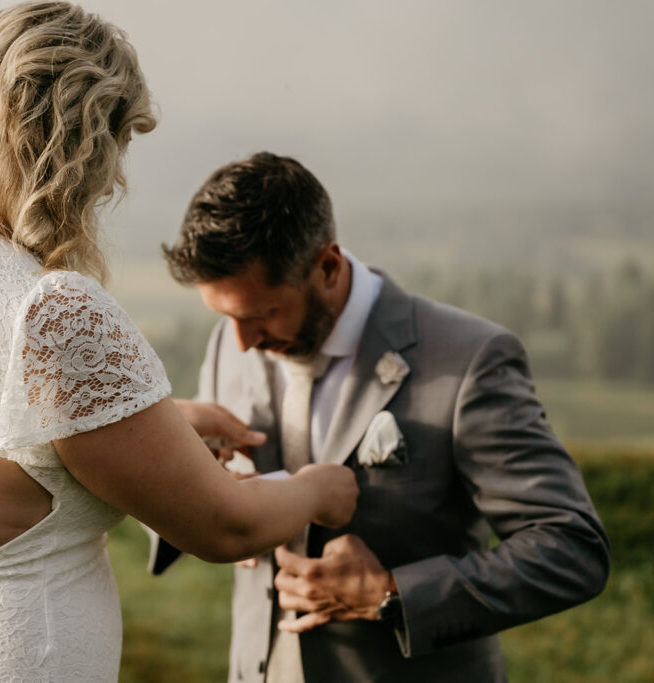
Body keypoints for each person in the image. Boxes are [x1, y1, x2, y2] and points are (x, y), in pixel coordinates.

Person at [0, 6, 358, 682]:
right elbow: (225, 526)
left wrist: (164, 423)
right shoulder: (49, 308)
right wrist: (320, 489)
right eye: (115, 148)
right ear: (81, 147)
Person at [152, 151, 611, 682]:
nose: (241, 342)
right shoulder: (232, 339)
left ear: (327, 267)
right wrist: (189, 471)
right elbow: (206, 500)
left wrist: (391, 593)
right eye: (224, 316)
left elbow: (571, 548)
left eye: (262, 314)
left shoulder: (468, 358)